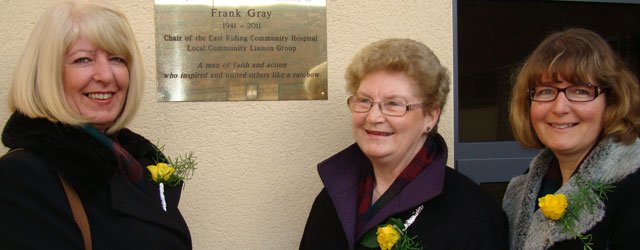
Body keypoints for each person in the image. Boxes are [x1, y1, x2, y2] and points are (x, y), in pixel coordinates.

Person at [0, 1, 191, 249]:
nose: (106, 75)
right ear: (48, 73)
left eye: (117, 59)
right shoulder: (22, 177)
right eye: (83, 60)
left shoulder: (132, 158)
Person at [300, 38, 508, 249]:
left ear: (430, 116)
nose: (373, 117)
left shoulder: (475, 216)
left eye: (393, 104)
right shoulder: (333, 197)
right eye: (364, 100)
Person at [503, 28, 640, 249]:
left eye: (580, 91)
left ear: (611, 100)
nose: (560, 108)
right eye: (546, 91)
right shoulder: (521, 192)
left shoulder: (633, 185)